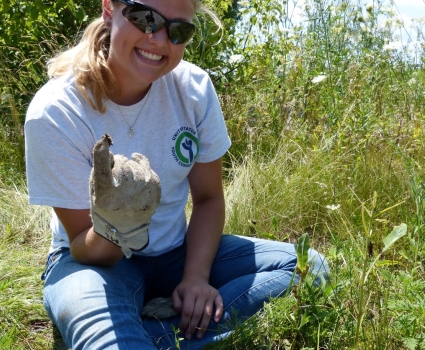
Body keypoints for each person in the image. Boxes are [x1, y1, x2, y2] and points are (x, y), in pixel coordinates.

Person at [24, 0, 329, 349]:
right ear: (109, 8)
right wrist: (117, 224)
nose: (158, 39)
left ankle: (151, 334)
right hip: (96, 264)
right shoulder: (55, 112)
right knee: (102, 328)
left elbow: (209, 199)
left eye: (178, 30)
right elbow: (83, 247)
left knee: (309, 269)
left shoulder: (194, 89)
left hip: (176, 254)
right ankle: (164, 331)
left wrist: (196, 278)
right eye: (145, 18)